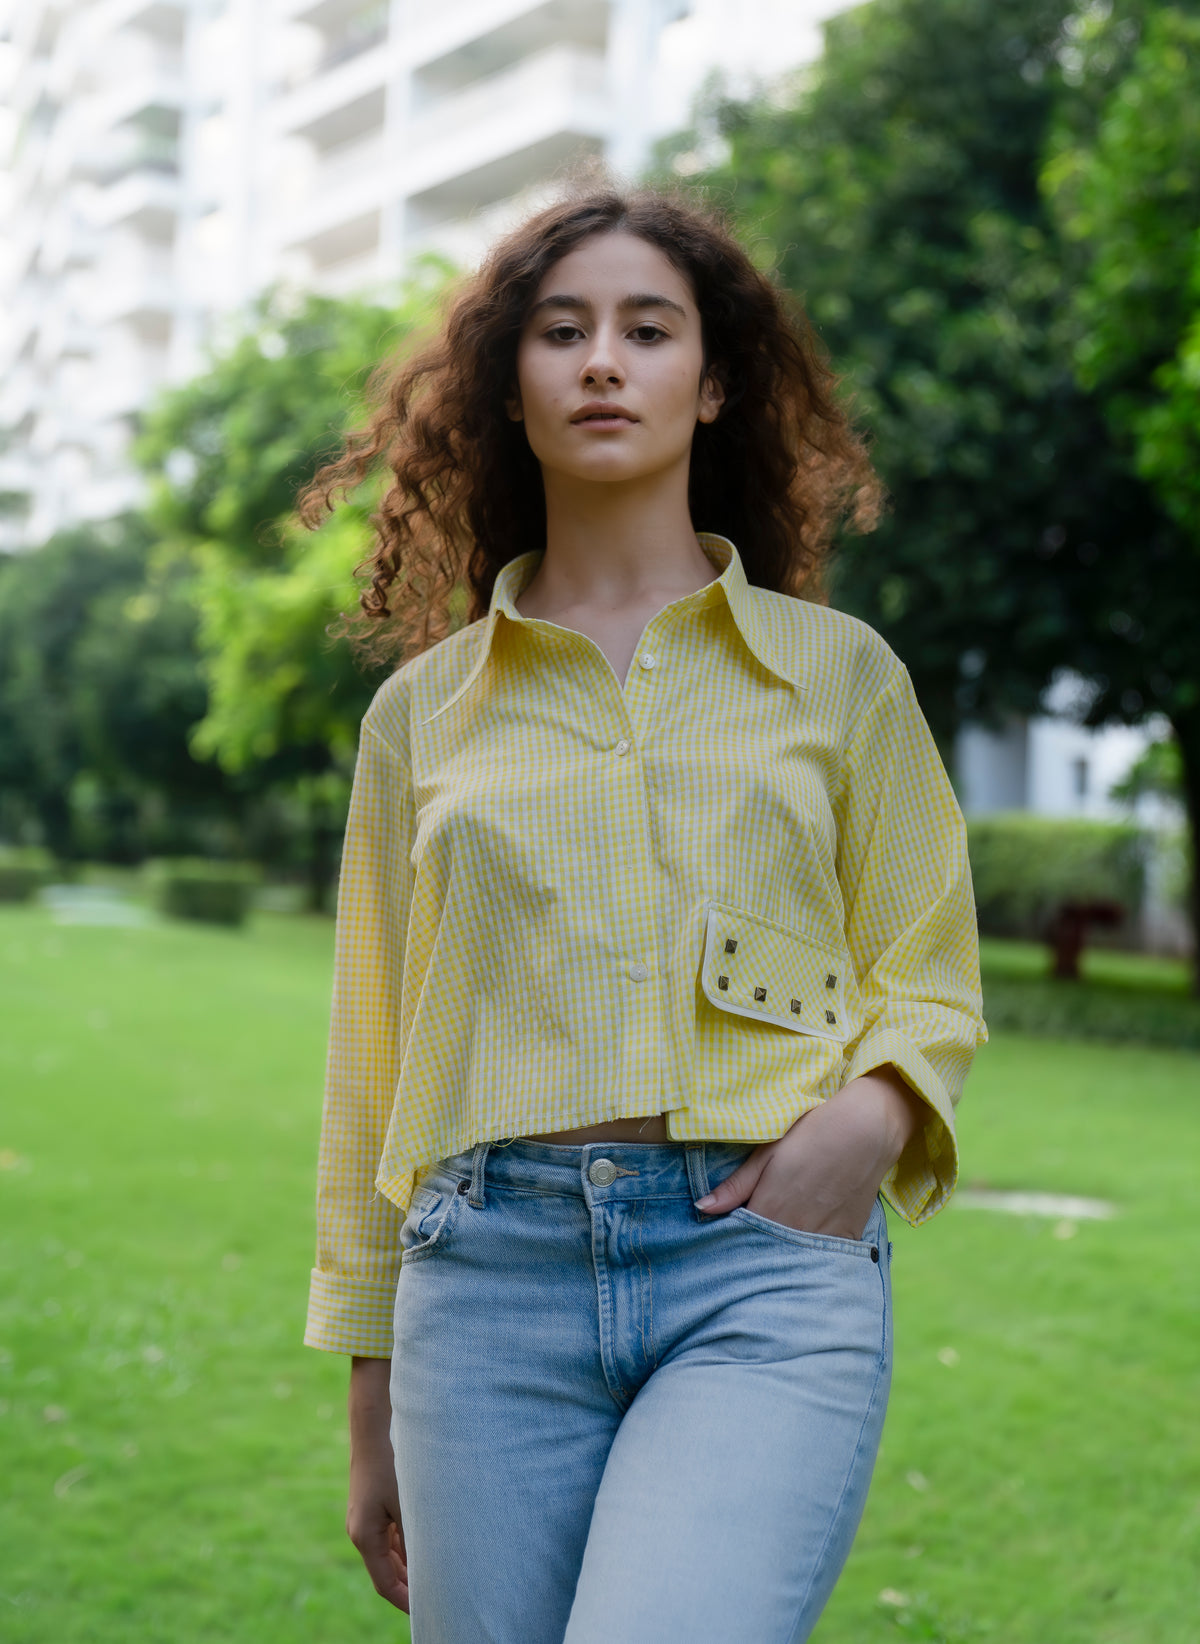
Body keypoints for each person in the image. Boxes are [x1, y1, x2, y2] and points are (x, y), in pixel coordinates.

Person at [300, 184, 987, 1644]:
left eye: (648, 330)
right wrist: (370, 1393)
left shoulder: (840, 675)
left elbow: (927, 971)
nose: (603, 361)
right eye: (562, 332)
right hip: (483, 1292)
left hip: (760, 1273)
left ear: (714, 382)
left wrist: (868, 1122)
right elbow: (372, 1063)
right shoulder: (421, 714)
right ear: (511, 386)